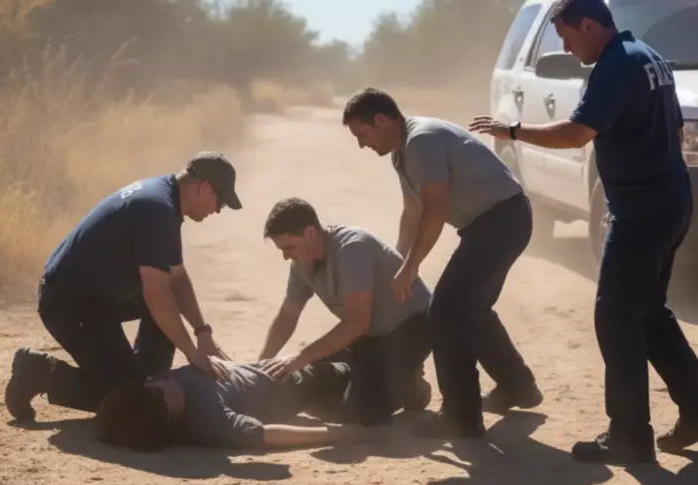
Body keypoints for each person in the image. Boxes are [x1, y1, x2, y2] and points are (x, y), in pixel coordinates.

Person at [469, 0, 698, 464]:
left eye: (569, 38)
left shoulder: (616, 65)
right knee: (648, 313)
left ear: (590, 24)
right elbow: (673, 129)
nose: (569, 50)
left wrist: (512, 130)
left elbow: (577, 133)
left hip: (640, 211)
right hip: (670, 201)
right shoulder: (650, 58)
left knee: (615, 318)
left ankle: (629, 434)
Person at [341, 88, 543, 440]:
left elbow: (435, 207)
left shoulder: (421, 141)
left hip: (501, 220)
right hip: (497, 222)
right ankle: (519, 387)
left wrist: (413, 266)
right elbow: (413, 209)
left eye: (362, 135)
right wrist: (398, 262)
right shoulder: (402, 154)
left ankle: (461, 418)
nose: (361, 145)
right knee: (471, 309)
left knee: (446, 312)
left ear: (381, 120)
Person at [4, 151, 243, 423]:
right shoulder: (158, 209)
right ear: (204, 188)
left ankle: (149, 379)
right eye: (220, 202)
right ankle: (38, 372)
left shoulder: (165, 202)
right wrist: (193, 354)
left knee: (148, 387)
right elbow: (156, 294)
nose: (217, 210)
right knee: (127, 400)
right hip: (68, 305)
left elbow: (176, 279)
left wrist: (203, 333)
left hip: (98, 303)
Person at [256, 197, 433, 427]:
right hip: (368, 336)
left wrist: (301, 358)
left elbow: (356, 323)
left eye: (288, 247)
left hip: (409, 330)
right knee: (312, 393)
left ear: (310, 232)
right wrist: (261, 365)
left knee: (360, 415)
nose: (285, 256)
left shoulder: (352, 249)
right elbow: (288, 315)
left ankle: (411, 386)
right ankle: (363, 373)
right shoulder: (301, 264)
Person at [94, 358, 371, 451]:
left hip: (266, 368)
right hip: (291, 384)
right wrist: (334, 434)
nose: (170, 393)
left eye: (158, 390)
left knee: (339, 361)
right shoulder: (208, 421)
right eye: (167, 406)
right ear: (167, 421)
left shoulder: (151, 384)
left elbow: (112, 411)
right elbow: (267, 435)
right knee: (352, 373)